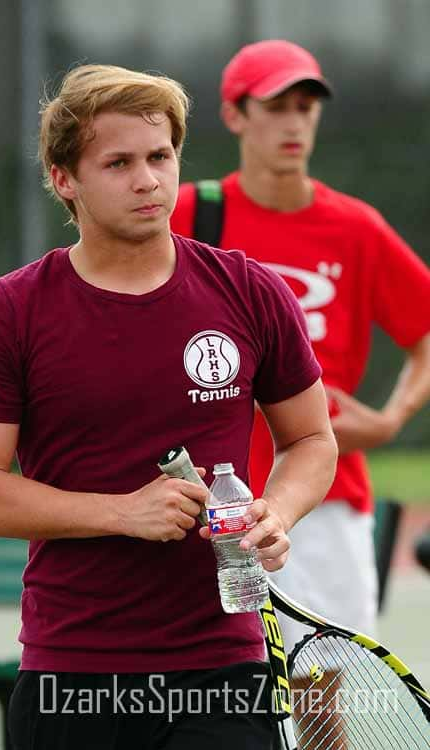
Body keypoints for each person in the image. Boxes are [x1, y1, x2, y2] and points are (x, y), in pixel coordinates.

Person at [0, 63, 337, 750]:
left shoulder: (248, 290)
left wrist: (279, 510)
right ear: (66, 179)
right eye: (117, 163)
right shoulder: (8, 312)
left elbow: (311, 442)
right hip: (74, 675)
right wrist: (120, 512)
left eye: (160, 156)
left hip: (226, 668)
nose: (148, 180)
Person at [171, 39, 430, 652]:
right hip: (201, 500)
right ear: (235, 115)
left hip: (323, 502)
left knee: (324, 698)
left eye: (306, 106)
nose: (294, 122)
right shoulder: (189, 214)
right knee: (213, 694)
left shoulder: (355, 227)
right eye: (276, 105)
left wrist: (393, 417)